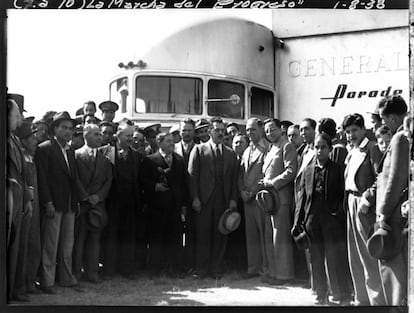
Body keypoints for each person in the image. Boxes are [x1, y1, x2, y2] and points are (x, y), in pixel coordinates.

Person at [293, 133, 352, 305]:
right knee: (316, 259)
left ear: (330, 149)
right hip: (312, 222)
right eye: (316, 147)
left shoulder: (338, 169)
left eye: (323, 147)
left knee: (334, 259)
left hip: (332, 222)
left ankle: (341, 294)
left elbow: (343, 195)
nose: (319, 151)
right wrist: (298, 221)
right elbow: (302, 197)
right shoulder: (308, 170)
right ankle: (320, 293)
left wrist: (338, 215)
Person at [35, 111, 81, 294]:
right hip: (54, 203)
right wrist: (47, 202)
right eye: (64, 128)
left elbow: (73, 179)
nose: (68, 132)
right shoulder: (45, 148)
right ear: (55, 129)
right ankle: (47, 280)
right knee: (50, 245)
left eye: (70, 128)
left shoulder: (70, 151)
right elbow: (43, 179)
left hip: (69, 203)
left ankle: (66, 278)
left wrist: (75, 201)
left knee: (67, 244)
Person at [188, 117, 238, 279]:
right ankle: (201, 269)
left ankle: (216, 269)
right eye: (217, 130)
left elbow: (234, 179)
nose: (221, 133)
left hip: (222, 201)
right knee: (203, 235)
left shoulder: (230, 154)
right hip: (204, 200)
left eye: (223, 131)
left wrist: (233, 199)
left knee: (220, 234)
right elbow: (192, 176)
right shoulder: (199, 149)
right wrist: (195, 198)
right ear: (210, 131)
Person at [342, 113, 385, 306]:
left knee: (368, 254)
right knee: (354, 255)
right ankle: (362, 299)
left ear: (363, 129)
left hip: (364, 204)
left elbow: (380, 178)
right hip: (351, 201)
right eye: (348, 132)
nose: (351, 135)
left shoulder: (372, 148)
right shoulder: (351, 150)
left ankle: (377, 300)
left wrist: (367, 199)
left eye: (354, 131)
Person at [374, 95, 409, 305]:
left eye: (383, 118)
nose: (382, 123)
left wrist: (383, 211)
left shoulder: (399, 138)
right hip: (397, 211)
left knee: (393, 267)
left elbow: (395, 179)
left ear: (393, 118)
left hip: (392, 215)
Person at [100, 123, 145, 279]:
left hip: (131, 202)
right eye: (127, 136)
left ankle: (127, 269)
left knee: (128, 236)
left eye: (132, 136)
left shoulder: (138, 156)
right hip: (111, 202)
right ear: (118, 136)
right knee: (111, 236)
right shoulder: (105, 152)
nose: (130, 139)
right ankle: (109, 269)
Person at [142, 132, 187, 278]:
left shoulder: (179, 160)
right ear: (159, 142)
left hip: (174, 208)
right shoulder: (150, 160)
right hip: (157, 208)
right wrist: (155, 187)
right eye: (168, 141)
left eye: (172, 141)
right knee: (157, 238)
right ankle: (155, 269)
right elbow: (143, 181)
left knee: (175, 238)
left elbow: (183, 183)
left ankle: (174, 268)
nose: (171, 144)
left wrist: (183, 205)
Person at [73, 124, 113, 283]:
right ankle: (76, 272)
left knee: (95, 240)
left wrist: (99, 196)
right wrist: (86, 196)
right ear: (85, 136)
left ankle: (92, 272)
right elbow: (75, 178)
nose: (100, 137)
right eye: (95, 134)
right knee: (79, 239)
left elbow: (108, 180)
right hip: (82, 204)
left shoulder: (105, 159)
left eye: (100, 134)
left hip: (97, 205)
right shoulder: (76, 155)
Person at [261, 118, 297, 285]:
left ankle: (284, 274)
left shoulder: (287, 146)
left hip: (281, 198)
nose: (269, 133)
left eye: (272, 130)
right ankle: (274, 272)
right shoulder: (271, 147)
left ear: (281, 130)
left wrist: (272, 182)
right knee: (272, 237)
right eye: (267, 131)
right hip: (270, 199)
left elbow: (291, 171)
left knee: (281, 238)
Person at [239, 118, 269, 278]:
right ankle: (253, 268)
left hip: (260, 198)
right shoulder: (246, 150)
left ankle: (265, 267)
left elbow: (266, 174)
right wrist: (242, 191)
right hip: (247, 199)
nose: (250, 133)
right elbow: (241, 173)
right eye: (248, 130)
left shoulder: (267, 149)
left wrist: (253, 191)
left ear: (262, 129)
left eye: (253, 129)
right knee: (251, 235)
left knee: (263, 234)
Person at [7, 98, 30, 301]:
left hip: (18, 200)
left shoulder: (14, 139)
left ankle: (13, 288)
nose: (19, 119)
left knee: (16, 247)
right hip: (8, 200)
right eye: (16, 115)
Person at [15, 119, 42, 296]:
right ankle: (20, 286)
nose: (36, 141)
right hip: (25, 207)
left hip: (35, 208)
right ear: (24, 140)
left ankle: (29, 282)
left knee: (34, 246)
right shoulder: (21, 159)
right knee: (23, 247)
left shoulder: (32, 157)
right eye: (32, 137)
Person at [174, 118, 197, 273]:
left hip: (194, 196)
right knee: (175, 231)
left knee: (193, 231)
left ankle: (191, 264)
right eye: (184, 130)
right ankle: (177, 264)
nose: (186, 133)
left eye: (189, 130)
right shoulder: (173, 148)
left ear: (194, 132)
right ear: (179, 132)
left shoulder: (200, 148)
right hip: (176, 197)